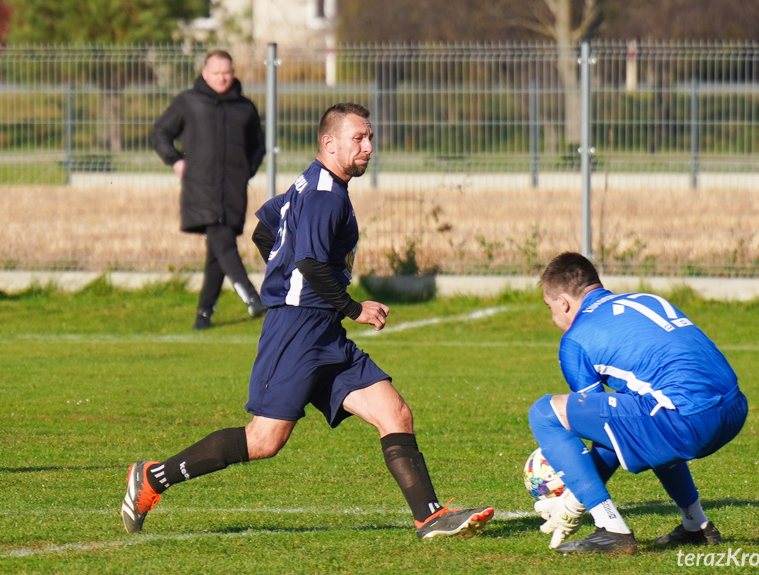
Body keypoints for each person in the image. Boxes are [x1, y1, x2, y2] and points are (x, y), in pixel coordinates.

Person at [122, 102, 494, 539]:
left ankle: (430, 517)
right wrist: (354, 308)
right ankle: (151, 478)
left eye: (370, 137)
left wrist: (285, 276)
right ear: (329, 142)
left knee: (395, 412)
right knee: (263, 441)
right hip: (297, 331)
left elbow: (265, 230)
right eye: (359, 139)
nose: (368, 147)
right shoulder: (324, 194)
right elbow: (312, 264)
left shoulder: (310, 182)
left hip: (324, 331)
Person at [529, 252, 747, 554]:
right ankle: (696, 524)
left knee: (544, 412)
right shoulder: (647, 299)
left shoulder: (576, 340)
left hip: (688, 421)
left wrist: (576, 498)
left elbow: (605, 433)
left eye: (549, 306)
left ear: (563, 302)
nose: (552, 315)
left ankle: (611, 529)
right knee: (646, 411)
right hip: (734, 408)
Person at [152, 49, 266, 330]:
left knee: (218, 249)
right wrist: (175, 160)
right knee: (222, 240)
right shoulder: (189, 102)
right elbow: (160, 133)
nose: (222, 78)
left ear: (233, 73)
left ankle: (203, 315)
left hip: (234, 190)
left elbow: (258, 147)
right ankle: (252, 296)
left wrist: (244, 173)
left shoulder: (245, 108)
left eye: (226, 72)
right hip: (200, 188)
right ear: (205, 74)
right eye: (216, 73)